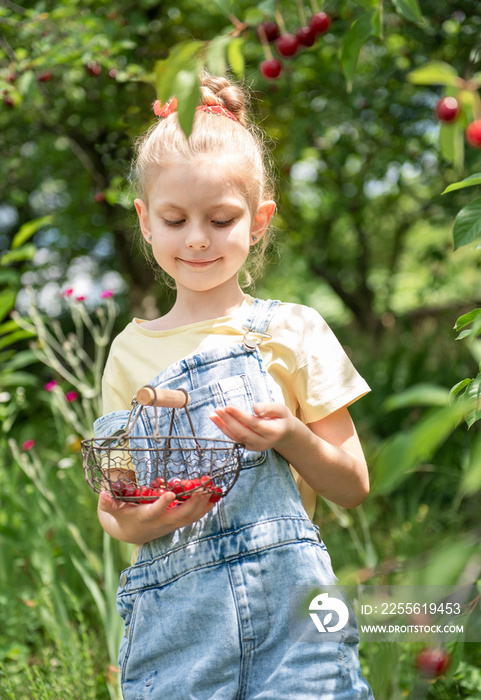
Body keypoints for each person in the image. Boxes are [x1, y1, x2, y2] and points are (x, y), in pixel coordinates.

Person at [95, 73, 374, 699]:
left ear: (259, 219)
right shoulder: (127, 354)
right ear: (144, 220)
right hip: (178, 632)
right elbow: (114, 506)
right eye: (175, 218)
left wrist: (293, 437)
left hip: (294, 626)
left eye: (221, 219)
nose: (197, 238)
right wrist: (142, 520)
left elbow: (352, 485)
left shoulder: (292, 330)